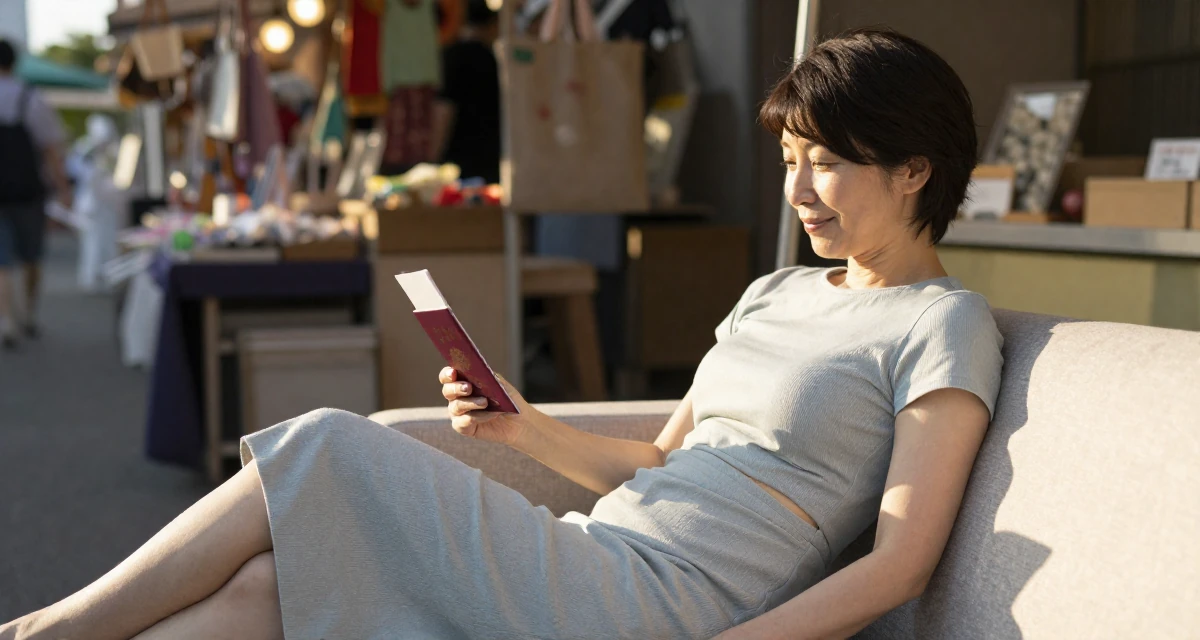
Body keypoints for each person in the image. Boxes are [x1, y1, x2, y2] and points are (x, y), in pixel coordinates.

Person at [1, 28, 1004, 639]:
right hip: (598, 556)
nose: (797, 191)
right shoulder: (776, 290)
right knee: (276, 589)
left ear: (914, 167)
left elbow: (898, 565)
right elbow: (657, 461)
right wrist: (522, 426)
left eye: (824, 162)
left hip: (671, 609)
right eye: (790, 158)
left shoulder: (940, 324)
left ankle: (46, 630)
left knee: (328, 438)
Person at [0, 39, 71, 349]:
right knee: (32, 257)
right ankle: (27, 314)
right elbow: (51, 149)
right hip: (28, 191)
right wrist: (63, 187)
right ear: (14, 63)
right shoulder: (31, 98)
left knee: (1, 262)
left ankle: (5, 320)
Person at [433, 0, 501, 183]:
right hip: (491, 160)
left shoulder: (451, 55)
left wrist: (433, 157)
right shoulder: (494, 60)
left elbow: (444, 109)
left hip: (457, 163)